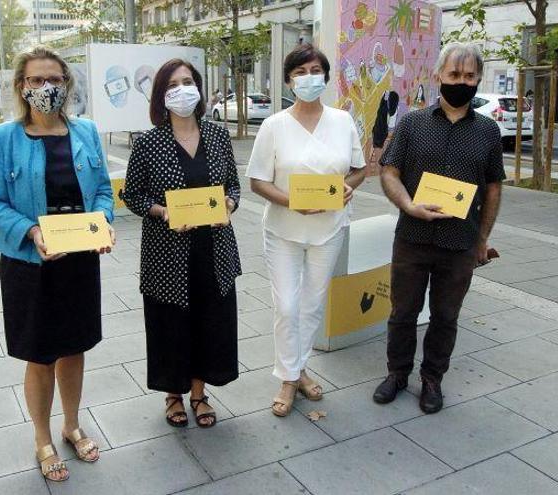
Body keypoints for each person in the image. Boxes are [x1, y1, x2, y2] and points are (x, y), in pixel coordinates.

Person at [0, 46, 114, 483]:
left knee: (74, 348)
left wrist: (103, 225)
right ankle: (42, 438)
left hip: (78, 261)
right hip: (29, 265)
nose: (45, 88)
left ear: (66, 84)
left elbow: (103, 191)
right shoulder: (2, 139)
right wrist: (31, 231)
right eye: (36, 80)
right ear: (21, 86)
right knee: (40, 356)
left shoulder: (87, 131)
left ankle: (71, 424)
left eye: (54, 79)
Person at [373, 42, 505, 414]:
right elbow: (389, 171)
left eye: (468, 76)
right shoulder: (412, 124)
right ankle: (397, 374)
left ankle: (432, 380)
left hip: (460, 243)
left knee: (446, 317)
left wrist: (483, 238)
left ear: (477, 79)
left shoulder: (488, 131)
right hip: (412, 239)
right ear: (438, 77)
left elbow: (494, 186)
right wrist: (408, 204)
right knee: (402, 313)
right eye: (454, 75)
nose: (461, 82)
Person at [247, 44, 366, 417]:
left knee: (312, 305)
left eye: (315, 70)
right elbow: (257, 181)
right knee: (287, 305)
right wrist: (289, 201)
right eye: (300, 72)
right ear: (288, 80)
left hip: (328, 228)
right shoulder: (274, 125)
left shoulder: (343, 121)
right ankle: (288, 377)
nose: (308, 77)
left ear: (325, 77)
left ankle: (296, 371)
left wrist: (350, 186)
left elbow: (359, 169)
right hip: (284, 227)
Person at [122, 58, 241, 429]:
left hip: (214, 248)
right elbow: (132, 194)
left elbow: (233, 185)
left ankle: (199, 393)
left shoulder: (218, 136)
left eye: (188, 81)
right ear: (161, 96)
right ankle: (172, 395)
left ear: (199, 88)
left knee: (210, 322)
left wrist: (230, 204)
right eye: (172, 85)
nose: (182, 89)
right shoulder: (149, 143)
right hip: (167, 252)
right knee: (170, 325)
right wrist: (162, 211)